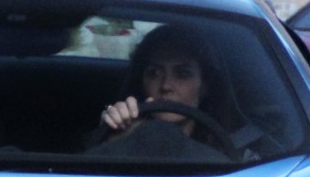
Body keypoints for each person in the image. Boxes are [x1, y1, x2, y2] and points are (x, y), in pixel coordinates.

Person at [90, 25, 237, 160]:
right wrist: (114, 138)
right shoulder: (123, 132)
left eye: (182, 74)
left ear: (204, 85)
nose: (166, 85)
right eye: (154, 73)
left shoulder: (235, 152)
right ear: (142, 81)